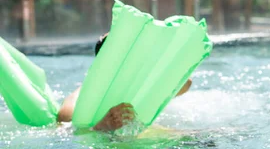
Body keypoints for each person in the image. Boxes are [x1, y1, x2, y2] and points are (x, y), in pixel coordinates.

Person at [57, 33, 193, 131]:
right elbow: (66, 125)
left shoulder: (141, 84)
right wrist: (102, 126)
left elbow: (186, 84)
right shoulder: (79, 98)